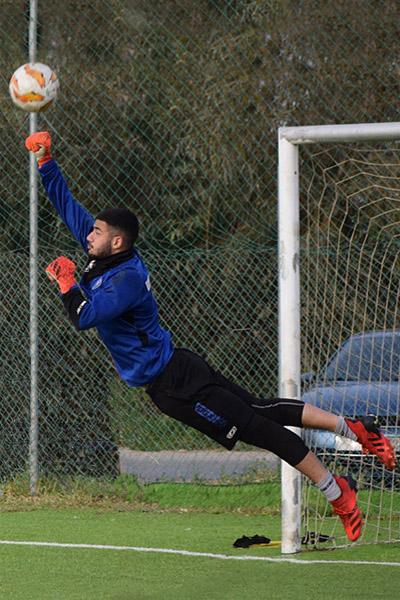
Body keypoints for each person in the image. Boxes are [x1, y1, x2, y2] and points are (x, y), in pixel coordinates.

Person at [26, 131, 396, 543]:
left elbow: (85, 316)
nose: (87, 235)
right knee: (262, 408)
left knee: (258, 428)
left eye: (95, 232)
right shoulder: (104, 254)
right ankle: (357, 428)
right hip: (171, 379)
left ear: (116, 241)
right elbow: (66, 205)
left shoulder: (127, 278)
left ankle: (337, 491)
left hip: (176, 379)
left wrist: (66, 282)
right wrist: (46, 161)